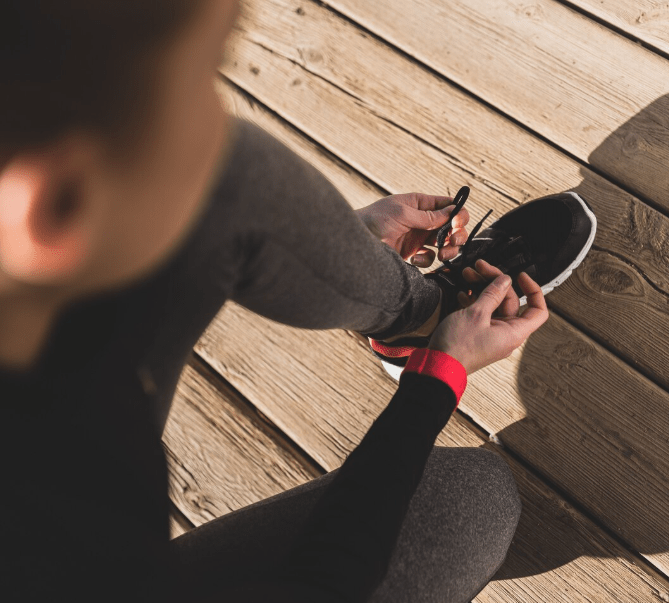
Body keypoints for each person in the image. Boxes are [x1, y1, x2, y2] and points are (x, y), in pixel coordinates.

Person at [1, 1, 595, 600]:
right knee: (473, 502)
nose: (222, 115)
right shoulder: (57, 523)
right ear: (58, 202)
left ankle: (416, 317)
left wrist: (344, 242)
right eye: (208, 75)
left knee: (234, 185)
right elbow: (328, 583)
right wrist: (437, 378)